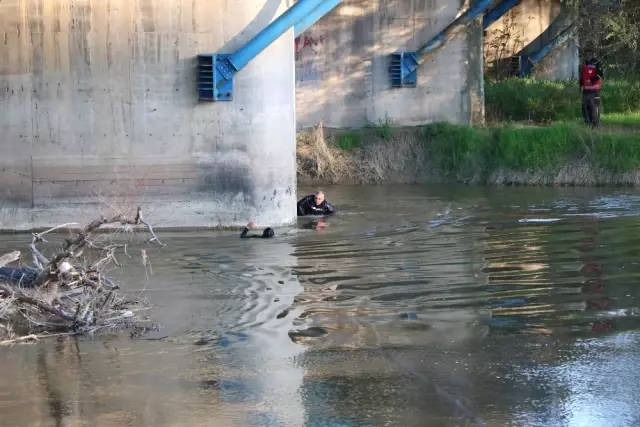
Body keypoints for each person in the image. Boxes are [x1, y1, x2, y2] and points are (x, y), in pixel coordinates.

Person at [579, 52, 603, 127]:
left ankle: (595, 124)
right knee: (585, 107)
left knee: (594, 107)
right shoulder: (584, 63)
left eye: (589, 53)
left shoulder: (597, 63)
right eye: (586, 54)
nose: (587, 55)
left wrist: (591, 80)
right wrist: (580, 85)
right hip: (586, 90)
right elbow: (582, 76)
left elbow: (600, 74)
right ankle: (587, 123)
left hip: (595, 90)